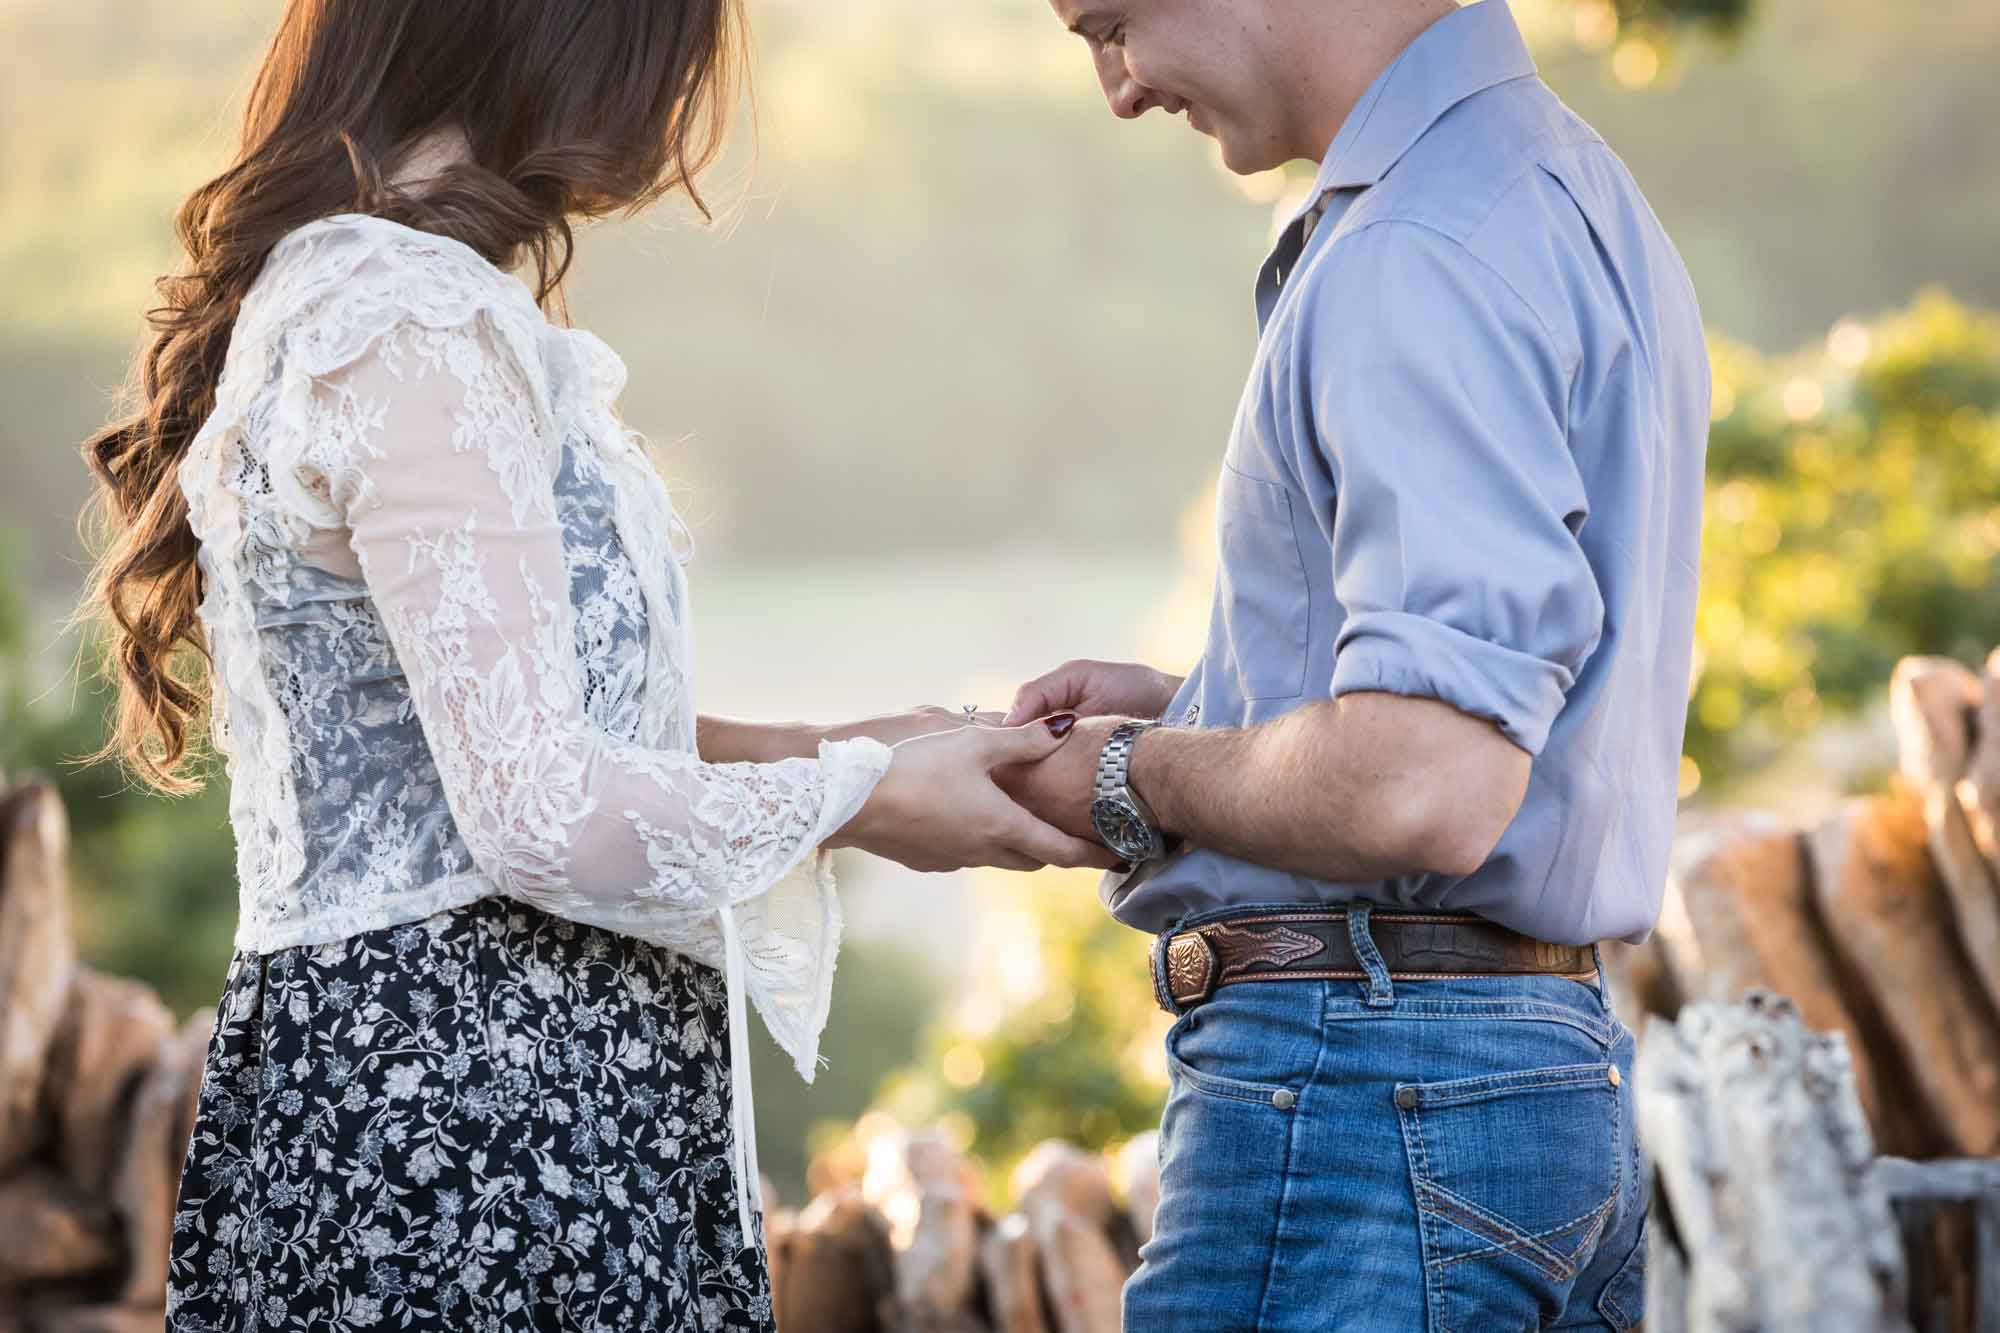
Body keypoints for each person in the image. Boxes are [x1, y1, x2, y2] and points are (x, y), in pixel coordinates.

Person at [72, 2, 1113, 1328]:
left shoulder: (376, 301)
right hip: (479, 1154)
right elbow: (540, 815)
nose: (684, 91)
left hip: (480, 1122)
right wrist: (862, 796)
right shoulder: (403, 320)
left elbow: (522, 736)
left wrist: (863, 748)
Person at [999, 0, 1708, 1327]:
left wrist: (1132, 772)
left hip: (1365, 1100)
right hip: (1534, 1080)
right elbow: (1504, 715)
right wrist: (1207, 705)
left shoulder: (1415, 251)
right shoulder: (1568, 191)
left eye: (1110, 23)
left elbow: (1422, 782)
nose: (1118, 87)